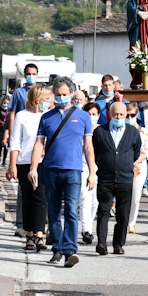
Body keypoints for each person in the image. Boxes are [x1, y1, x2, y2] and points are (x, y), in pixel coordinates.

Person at [29, 77, 96, 268]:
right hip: (51, 169)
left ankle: (70, 250)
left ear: (72, 94)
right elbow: (38, 144)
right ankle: (57, 248)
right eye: (58, 95)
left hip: (74, 170)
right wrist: (33, 168)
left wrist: (92, 172)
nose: (61, 98)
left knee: (72, 211)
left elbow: (88, 147)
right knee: (54, 211)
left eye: (64, 95)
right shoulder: (46, 117)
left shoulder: (83, 117)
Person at [93, 102, 143, 255]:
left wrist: (125, 164)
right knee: (103, 211)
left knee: (123, 214)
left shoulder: (133, 132)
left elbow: (136, 152)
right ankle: (101, 243)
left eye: (121, 114)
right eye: (115, 114)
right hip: (105, 178)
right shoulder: (100, 131)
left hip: (125, 179)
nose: (119, 117)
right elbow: (94, 152)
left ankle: (118, 244)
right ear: (110, 114)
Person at [8, 85, 51, 252]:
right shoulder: (22, 116)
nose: (49, 101)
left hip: (44, 162)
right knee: (27, 198)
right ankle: (29, 234)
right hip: (24, 161)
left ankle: (39, 234)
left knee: (41, 197)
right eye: (47, 98)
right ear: (38, 99)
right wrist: (12, 164)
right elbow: (15, 141)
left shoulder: (49, 116)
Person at [79, 102, 101, 245]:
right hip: (83, 165)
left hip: (98, 167)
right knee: (85, 197)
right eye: (88, 114)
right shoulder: (80, 128)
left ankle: (89, 226)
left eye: (94, 114)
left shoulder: (102, 130)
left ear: (98, 116)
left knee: (95, 201)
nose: (91, 117)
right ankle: (86, 230)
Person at [126, 103, 148, 234]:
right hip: (122, 167)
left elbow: (145, 152)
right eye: (127, 115)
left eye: (132, 115)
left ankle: (131, 222)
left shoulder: (143, 131)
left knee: (135, 196)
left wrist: (134, 161)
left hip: (137, 168)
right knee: (123, 196)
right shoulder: (120, 129)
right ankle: (123, 220)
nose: (129, 117)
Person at [5, 63, 39, 146]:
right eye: (29, 74)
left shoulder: (41, 92)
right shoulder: (18, 92)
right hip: (22, 128)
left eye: (33, 74)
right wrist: (11, 133)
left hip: (37, 128)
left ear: (37, 75)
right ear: (24, 75)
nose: (31, 76)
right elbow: (12, 113)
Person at [0, 95, 11, 166]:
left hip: (7, 127)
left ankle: (4, 160)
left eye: (7, 102)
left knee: (6, 145)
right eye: (4, 102)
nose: (6, 104)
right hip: (0, 127)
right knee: (0, 144)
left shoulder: (10, 110)